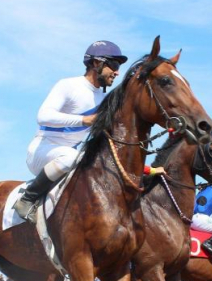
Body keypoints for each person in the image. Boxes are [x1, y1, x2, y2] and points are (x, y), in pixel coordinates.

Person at [13, 41, 128, 223]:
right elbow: (43, 116)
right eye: (113, 65)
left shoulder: (105, 99)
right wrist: (84, 120)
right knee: (71, 157)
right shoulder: (68, 85)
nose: (117, 72)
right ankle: (27, 199)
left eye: (119, 67)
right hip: (42, 151)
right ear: (96, 63)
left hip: (70, 156)